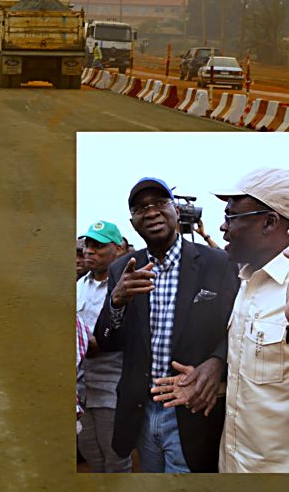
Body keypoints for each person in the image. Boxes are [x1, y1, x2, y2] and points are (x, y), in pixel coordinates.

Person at [155, 168, 289, 473]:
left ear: (269, 222)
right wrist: (210, 383)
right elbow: (270, 379)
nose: (221, 226)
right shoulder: (249, 283)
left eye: (231, 216)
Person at [95, 177, 239, 473]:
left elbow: (235, 328)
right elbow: (107, 341)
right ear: (132, 221)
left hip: (193, 409)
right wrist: (117, 301)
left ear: (175, 210)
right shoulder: (122, 268)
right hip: (142, 410)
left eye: (159, 203)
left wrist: (217, 362)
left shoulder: (218, 263)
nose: (150, 212)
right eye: (140, 208)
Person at [77, 221, 131, 473]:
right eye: (88, 245)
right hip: (80, 391)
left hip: (111, 389)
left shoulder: (125, 289)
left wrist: (82, 344)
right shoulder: (77, 287)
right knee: (90, 455)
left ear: (118, 249)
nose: (89, 251)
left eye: (98, 246)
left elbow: (113, 339)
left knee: (115, 459)